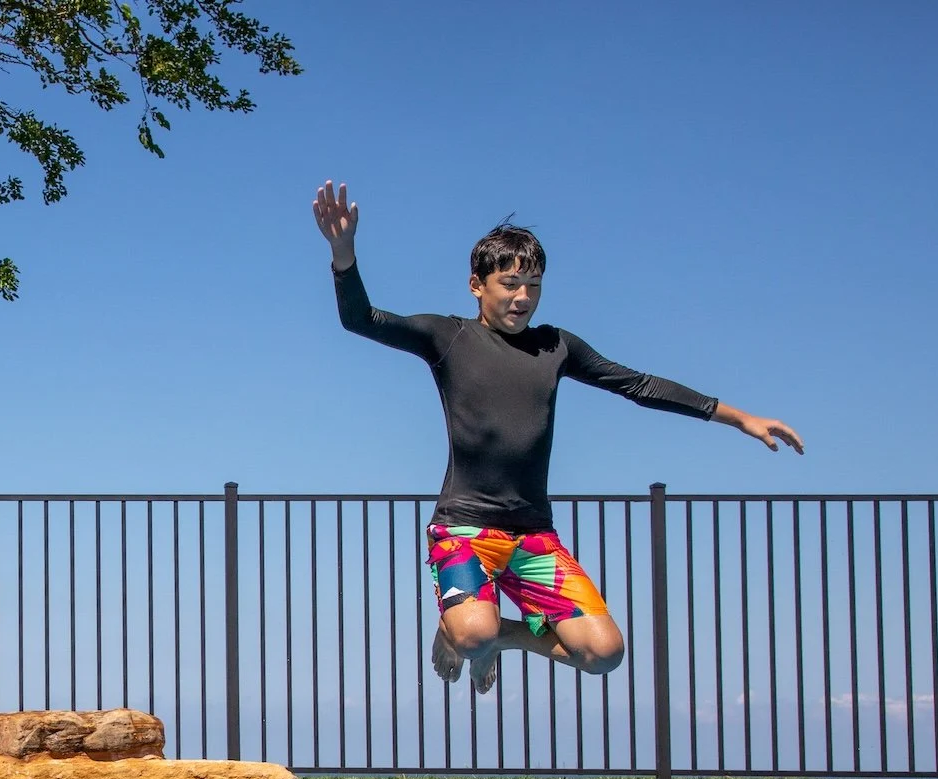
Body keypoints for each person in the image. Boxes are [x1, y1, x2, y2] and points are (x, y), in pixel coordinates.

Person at [311, 181, 805, 693]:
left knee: (603, 653)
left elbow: (637, 384)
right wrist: (343, 255)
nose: (523, 298)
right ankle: (471, 632)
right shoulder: (449, 337)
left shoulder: (557, 347)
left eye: (534, 285)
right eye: (509, 284)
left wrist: (739, 417)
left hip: (533, 537)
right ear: (477, 285)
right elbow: (361, 320)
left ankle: (498, 637)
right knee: (473, 634)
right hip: (463, 531)